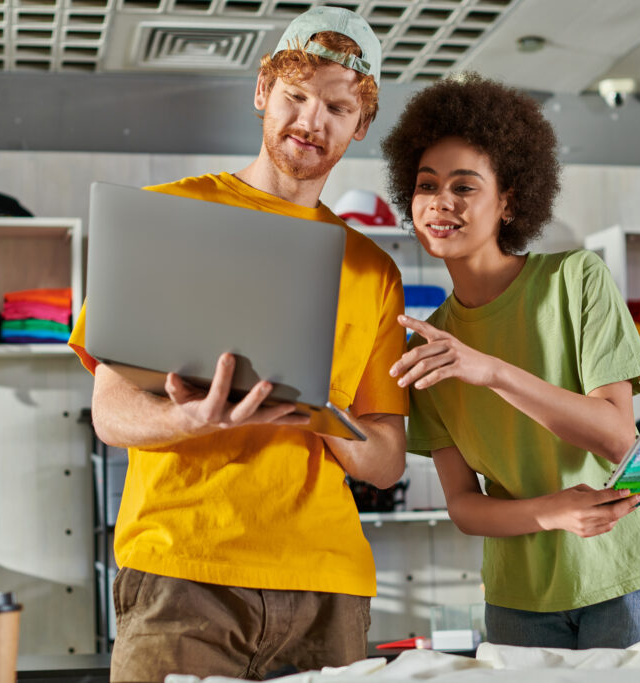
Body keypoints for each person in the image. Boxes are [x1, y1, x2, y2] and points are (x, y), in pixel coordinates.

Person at [68, 8, 407, 681]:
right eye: (297, 96)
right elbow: (110, 412)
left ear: (360, 126)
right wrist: (189, 418)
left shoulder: (374, 269)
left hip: (327, 586)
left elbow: (388, 459)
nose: (312, 121)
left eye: (338, 107)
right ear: (262, 91)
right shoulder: (164, 218)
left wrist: (322, 416)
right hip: (181, 572)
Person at [380, 73, 640, 650]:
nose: (441, 202)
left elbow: (618, 437)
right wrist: (552, 512)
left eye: (465, 186)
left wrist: (490, 370)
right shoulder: (428, 350)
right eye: (426, 185)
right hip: (518, 598)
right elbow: (465, 507)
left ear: (509, 200)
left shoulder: (577, 279)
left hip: (625, 576)